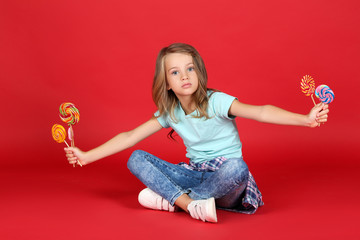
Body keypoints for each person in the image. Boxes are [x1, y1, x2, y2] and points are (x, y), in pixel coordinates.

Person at [64, 43, 329, 223]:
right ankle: (191, 205)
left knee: (238, 167)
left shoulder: (217, 101)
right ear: (166, 83)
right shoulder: (170, 112)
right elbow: (130, 135)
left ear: (199, 72)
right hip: (194, 174)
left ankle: (174, 199)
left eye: (190, 68)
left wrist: (304, 119)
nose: (184, 76)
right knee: (136, 157)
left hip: (226, 182)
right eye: (175, 72)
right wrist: (87, 156)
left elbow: (261, 111)